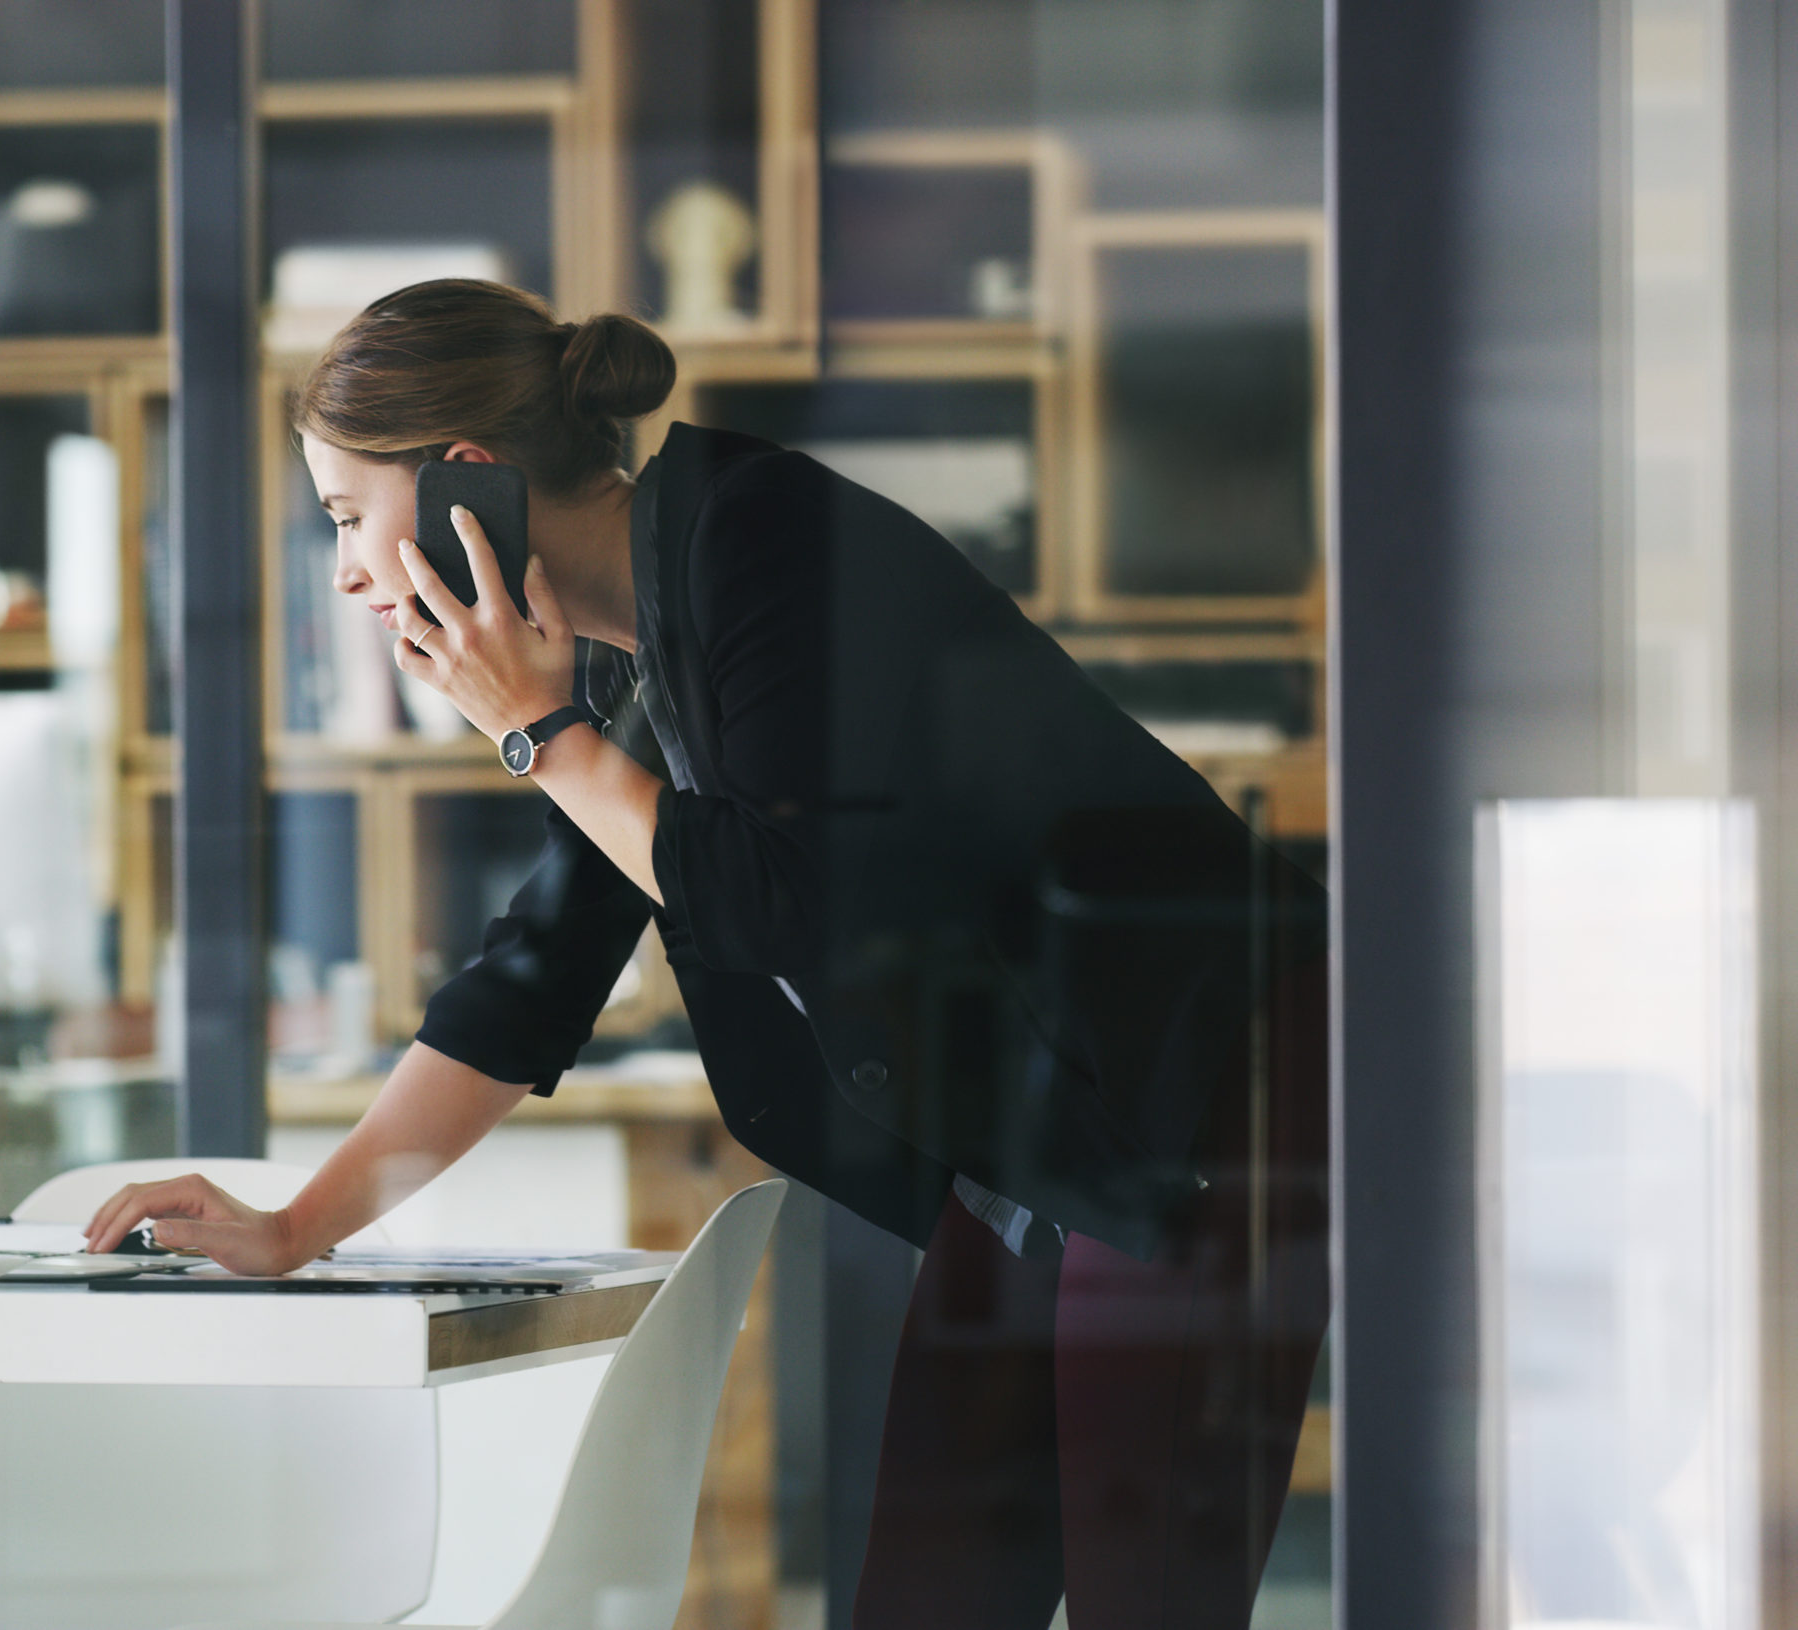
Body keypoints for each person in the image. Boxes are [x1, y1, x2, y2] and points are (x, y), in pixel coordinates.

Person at [86, 279, 1329, 1630]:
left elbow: (787, 896)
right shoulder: (635, 647)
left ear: (465, 481)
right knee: (926, 1595)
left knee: (1155, 1601)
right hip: (1046, 1129)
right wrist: (295, 1225)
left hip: (1204, 1085)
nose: (343, 570)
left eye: (345, 517)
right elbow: (536, 975)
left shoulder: (764, 546)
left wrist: (541, 733)